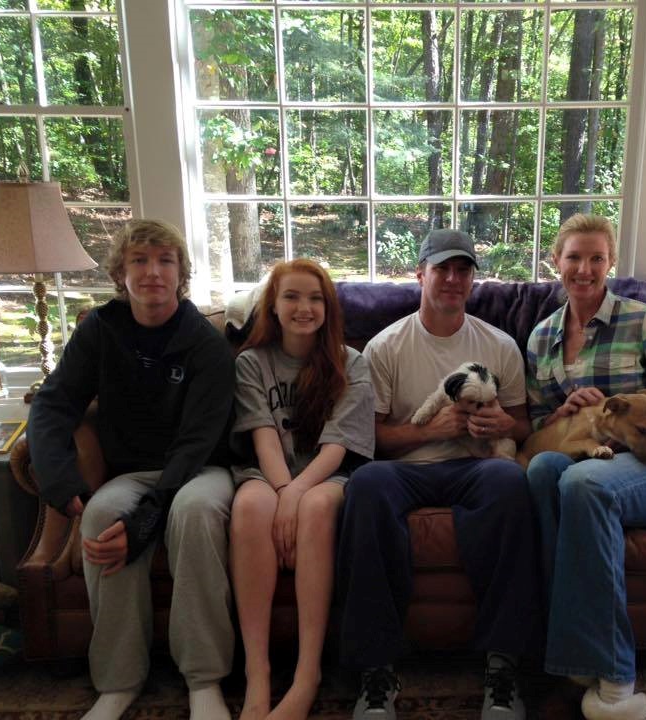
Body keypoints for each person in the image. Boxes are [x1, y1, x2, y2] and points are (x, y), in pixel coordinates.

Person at [27, 220, 236, 720]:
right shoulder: (100, 330)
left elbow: (197, 440)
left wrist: (146, 522)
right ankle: (118, 681)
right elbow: (53, 404)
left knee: (195, 512)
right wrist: (60, 482)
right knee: (101, 515)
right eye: (139, 261)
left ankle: (203, 678)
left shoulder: (206, 342)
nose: (152, 272)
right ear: (120, 273)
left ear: (181, 274)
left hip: (200, 469)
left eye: (165, 261)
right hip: (132, 471)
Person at [336, 229, 540, 720]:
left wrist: (502, 424)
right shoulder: (386, 347)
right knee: (364, 485)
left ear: (472, 280)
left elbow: (524, 426)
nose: (452, 279)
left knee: (512, 482)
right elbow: (372, 439)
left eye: (462, 270)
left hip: (477, 465)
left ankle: (503, 663)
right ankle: (376, 668)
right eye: (442, 269)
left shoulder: (500, 345)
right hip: (404, 469)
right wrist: (428, 431)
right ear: (420, 275)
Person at [524, 214, 646, 720]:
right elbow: (537, 423)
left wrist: (640, 420)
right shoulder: (541, 337)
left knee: (584, 482)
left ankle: (615, 680)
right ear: (556, 262)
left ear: (611, 263)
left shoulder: (642, 320)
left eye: (596, 258)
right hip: (588, 453)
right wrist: (565, 411)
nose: (584, 269)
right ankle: (570, 661)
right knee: (541, 470)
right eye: (574, 257)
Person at [229, 259, 374, 720]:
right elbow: (264, 437)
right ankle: (257, 673)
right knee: (250, 506)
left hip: (327, 474)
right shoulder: (251, 362)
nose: (303, 308)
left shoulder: (352, 363)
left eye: (315, 298)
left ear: (328, 309)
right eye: (291, 296)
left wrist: (293, 495)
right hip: (270, 471)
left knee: (314, 507)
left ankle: (307, 675)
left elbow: (336, 447)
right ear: (272, 306)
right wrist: (282, 491)